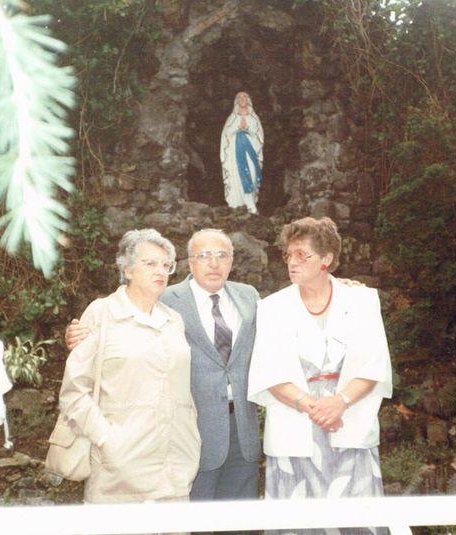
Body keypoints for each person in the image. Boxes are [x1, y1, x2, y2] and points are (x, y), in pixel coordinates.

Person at [66, 228, 262, 503]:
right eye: (204, 255)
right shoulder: (155, 301)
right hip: (135, 449)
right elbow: (77, 387)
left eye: (222, 255)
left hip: (198, 448)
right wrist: (107, 439)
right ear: (190, 262)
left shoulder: (242, 300)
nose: (214, 263)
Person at [247, 217, 392, 534]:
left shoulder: (362, 300)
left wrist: (340, 402)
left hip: (350, 423)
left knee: (355, 523)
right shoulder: (272, 307)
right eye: (289, 254)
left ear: (326, 258)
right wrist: (311, 406)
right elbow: (268, 372)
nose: (292, 262)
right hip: (294, 426)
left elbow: (374, 364)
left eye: (302, 254)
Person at [58, 229, 201, 504]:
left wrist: (191, 439)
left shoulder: (174, 320)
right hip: (118, 473)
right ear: (128, 269)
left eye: (166, 265)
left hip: (175, 470)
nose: (160, 271)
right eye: (150, 263)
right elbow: (74, 392)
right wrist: (107, 441)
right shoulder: (101, 313)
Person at [221, 91, 263, 214]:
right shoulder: (232, 118)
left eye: (245, 96)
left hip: (251, 152)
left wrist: (247, 129)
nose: (242, 99)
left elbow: (259, 135)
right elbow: (226, 135)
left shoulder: (254, 117)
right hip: (235, 154)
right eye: (239, 97)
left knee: (252, 173)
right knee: (237, 176)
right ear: (236, 101)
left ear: (249, 99)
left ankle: (250, 203)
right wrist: (237, 128)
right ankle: (237, 204)